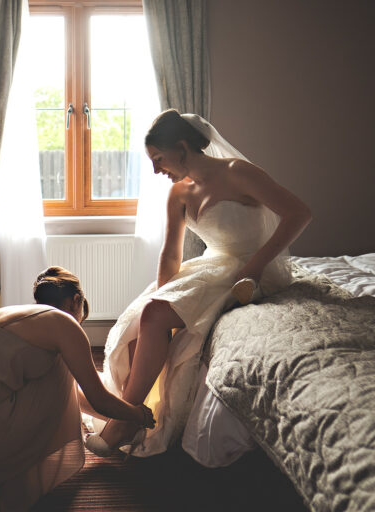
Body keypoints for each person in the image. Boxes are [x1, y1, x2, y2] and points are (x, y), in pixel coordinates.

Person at [85, 110, 312, 459]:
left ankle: (124, 420)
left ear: (181, 147)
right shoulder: (178, 193)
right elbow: (170, 257)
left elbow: (299, 213)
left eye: (158, 159)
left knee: (157, 316)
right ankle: (135, 408)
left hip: (252, 270)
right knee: (141, 320)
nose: (156, 169)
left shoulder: (238, 173)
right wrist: (161, 297)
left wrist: (252, 269)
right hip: (213, 265)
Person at [0, 266, 156, 511]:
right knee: (63, 364)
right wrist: (138, 415)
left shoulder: (10, 313)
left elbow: (69, 394)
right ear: (77, 300)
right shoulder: (64, 324)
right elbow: (96, 397)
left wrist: (114, 417)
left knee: (58, 369)